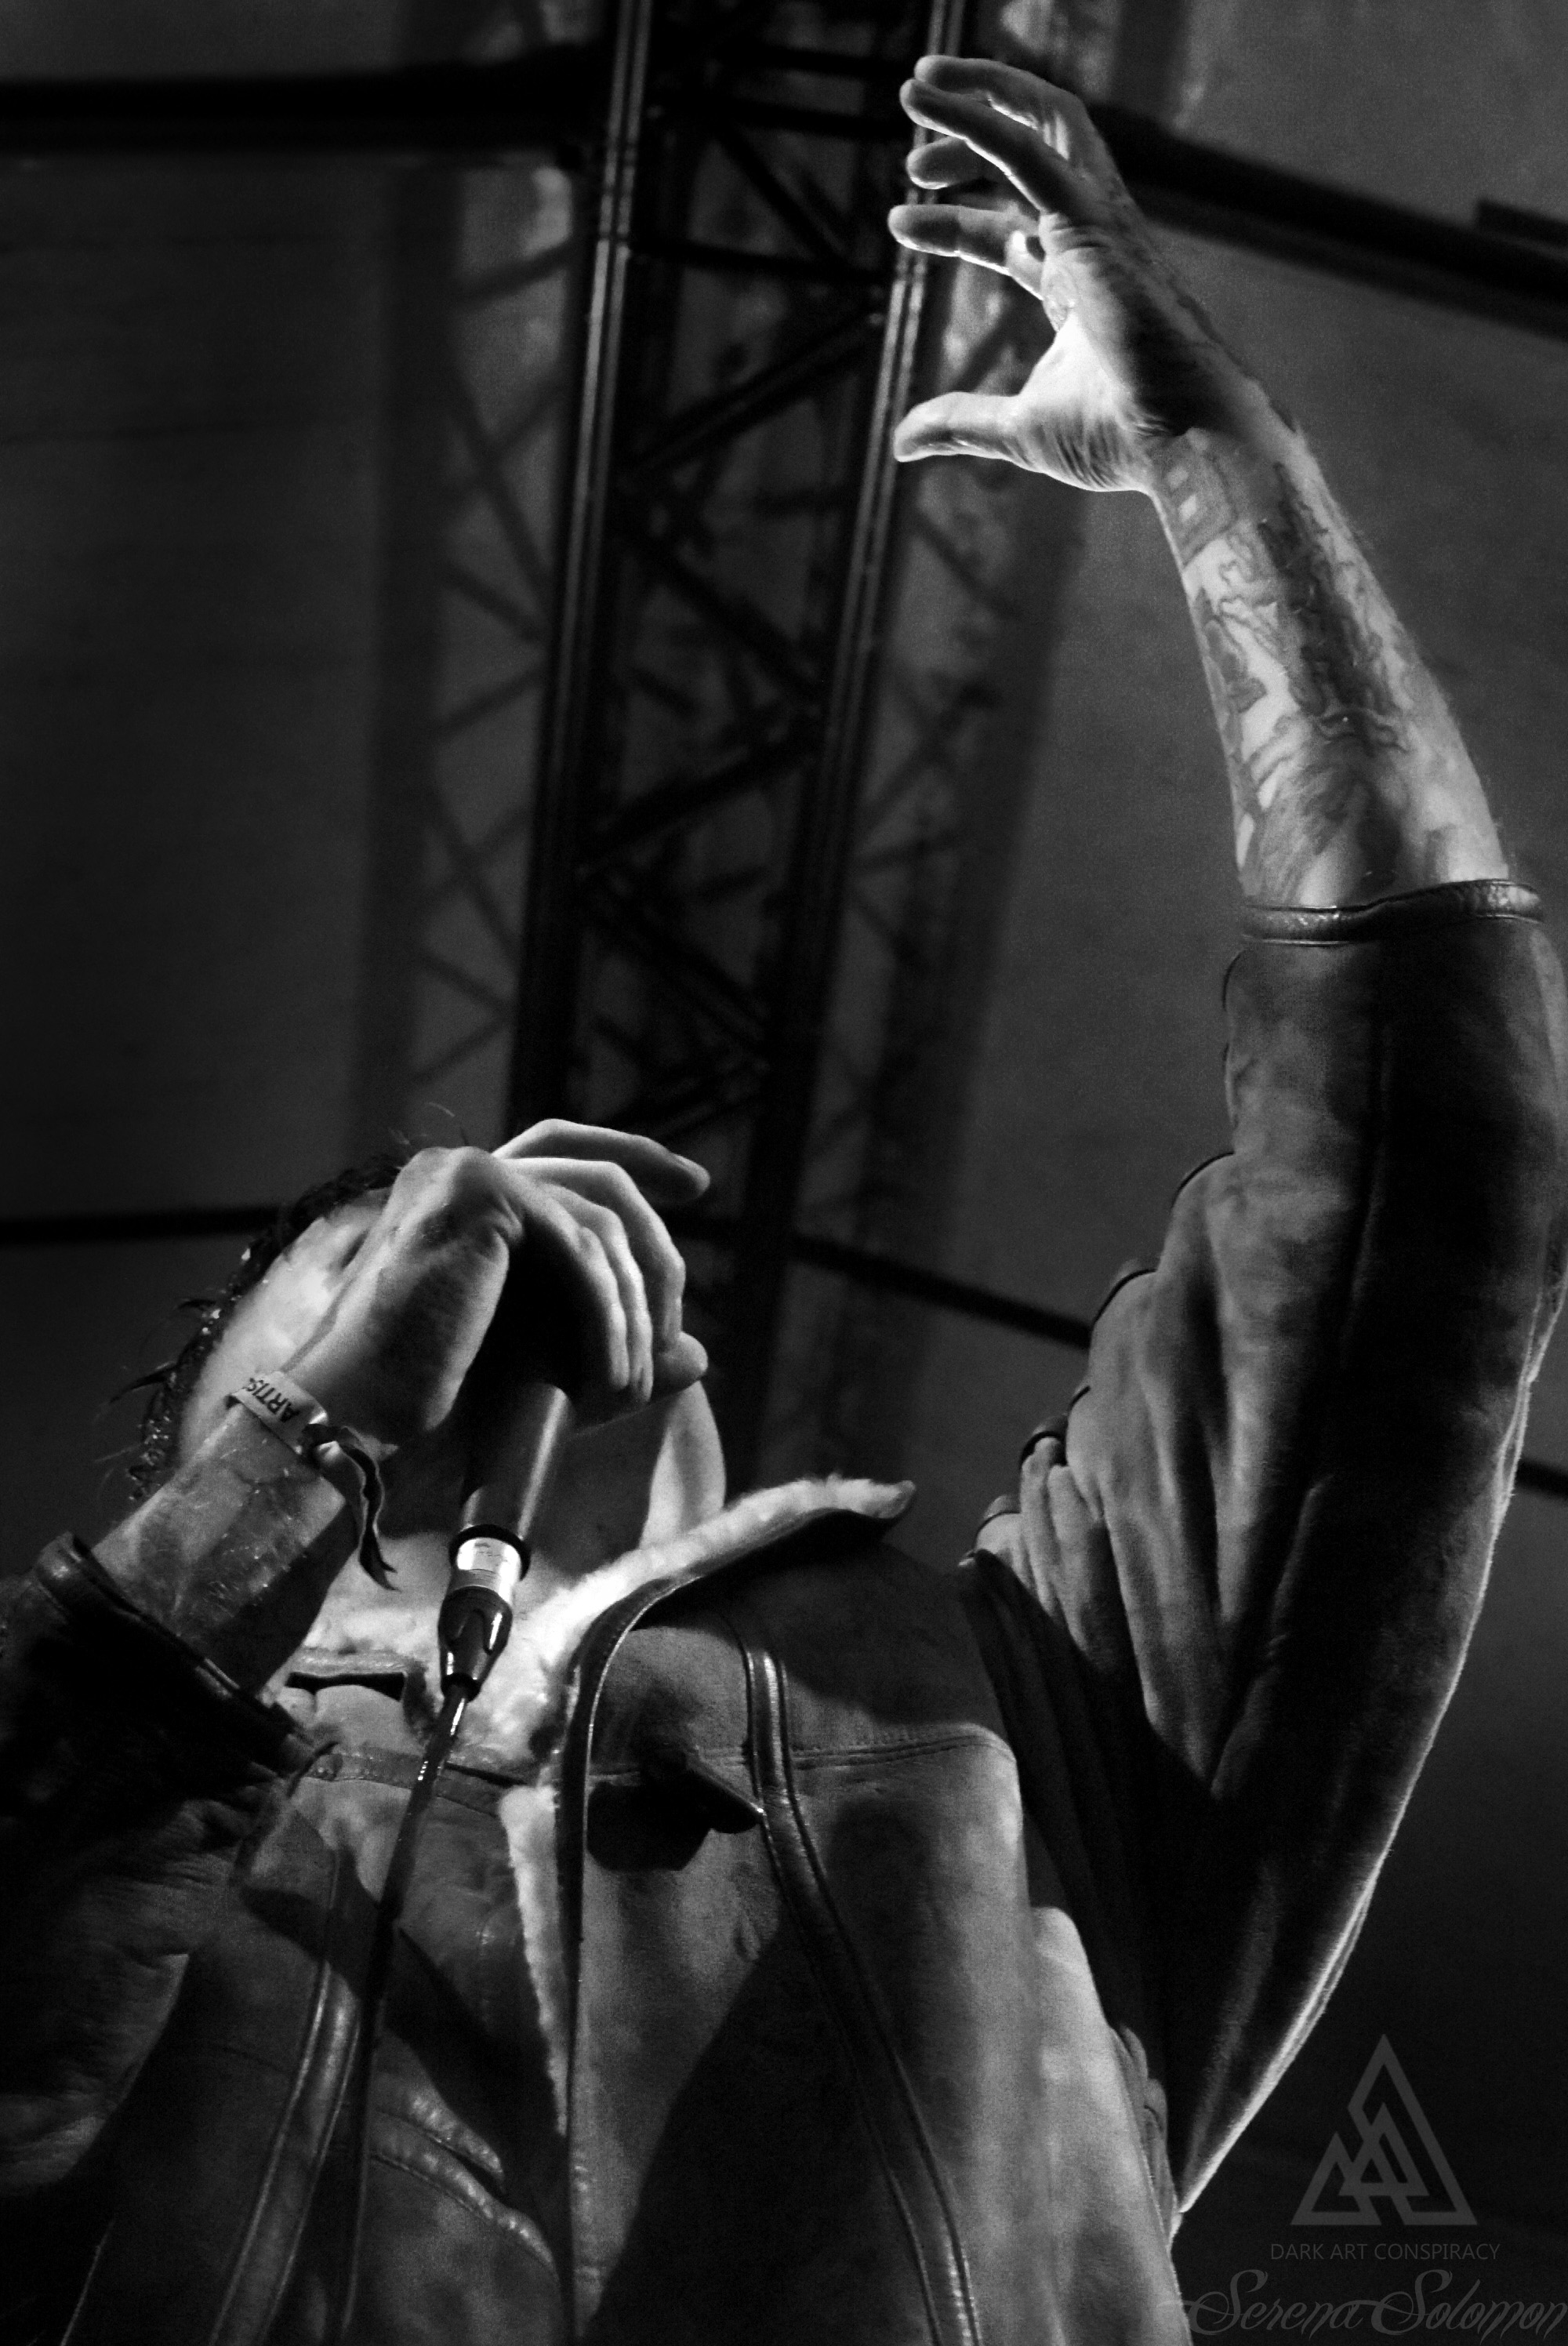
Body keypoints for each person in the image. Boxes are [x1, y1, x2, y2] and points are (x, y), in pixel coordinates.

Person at [2, 53, 1564, 2346]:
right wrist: (302, 1462)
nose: (504, 1244)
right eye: (378, 1252)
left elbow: (1421, 1177)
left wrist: (1223, 463)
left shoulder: (1028, 1729)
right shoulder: (126, 1793)